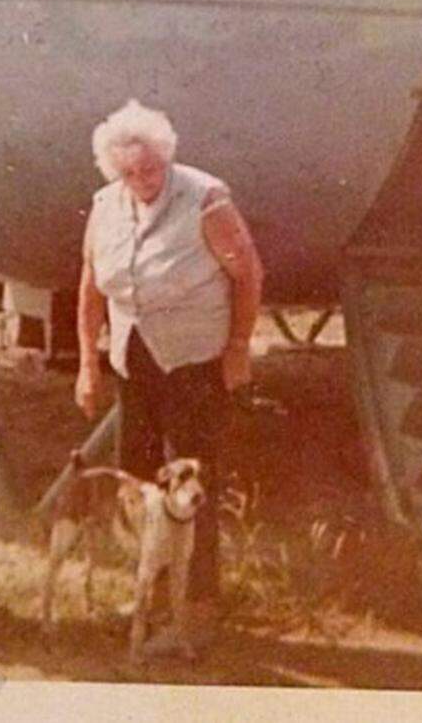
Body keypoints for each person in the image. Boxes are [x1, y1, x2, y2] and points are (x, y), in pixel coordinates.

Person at [74, 99, 264, 648]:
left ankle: (197, 612)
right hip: (134, 361)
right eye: (129, 172)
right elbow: (90, 282)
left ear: (167, 157)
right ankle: (150, 596)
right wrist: (88, 361)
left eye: (150, 168)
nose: (142, 181)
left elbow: (249, 273)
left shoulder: (206, 200)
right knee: (137, 482)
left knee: (192, 487)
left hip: (194, 363)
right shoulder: (106, 204)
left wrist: (238, 346)